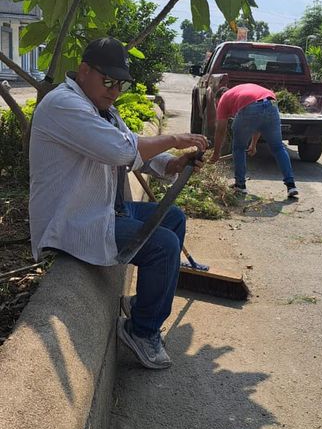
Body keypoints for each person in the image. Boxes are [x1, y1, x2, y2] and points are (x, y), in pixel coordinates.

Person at [29, 37, 208, 371]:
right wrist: (173, 138)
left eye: (120, 84)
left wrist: (175, 162)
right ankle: (142, 331)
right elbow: (121, 150)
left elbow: (135, 151)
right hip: (73, 220)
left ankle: (143, 306)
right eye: (108, 81)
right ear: (84, 71)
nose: (114, 91)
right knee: (163, 246)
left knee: (173, 218)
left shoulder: (102, 109)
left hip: (104, 208)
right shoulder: (63, 104)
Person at [210, 83, 299, 200]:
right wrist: (253, 144)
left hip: (252, 106)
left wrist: (216, 153)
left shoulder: (224, 98)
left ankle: (240, 185)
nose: (218, 107)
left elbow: (220, 129)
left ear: (220, 96)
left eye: (216, 104)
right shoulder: (241, 91)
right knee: (278, 147)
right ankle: (291, 185)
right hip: (271, 103)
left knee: (239, 148)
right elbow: (258, 122)